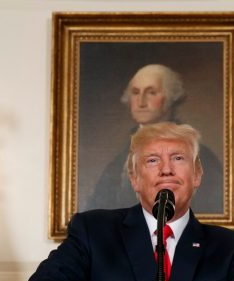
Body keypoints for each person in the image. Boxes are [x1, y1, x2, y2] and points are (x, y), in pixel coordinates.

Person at [18, 122, 234, 281]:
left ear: (197, 175)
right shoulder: (93, 233)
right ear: (134, 179)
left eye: (178, 158)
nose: (166, 169)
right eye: (152, 160)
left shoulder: (226, 248)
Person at [83, 64, 223, 213]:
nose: (141, 101)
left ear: (171, 97)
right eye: (136, 92)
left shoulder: (198, 154)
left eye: (151, 93)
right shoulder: (122, 157)